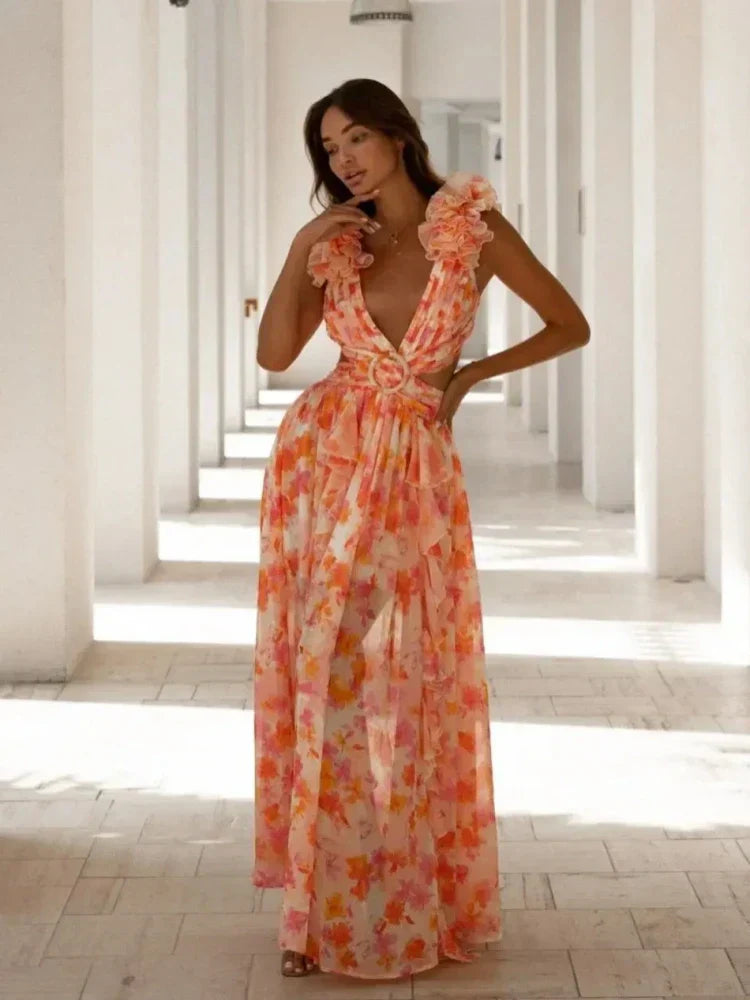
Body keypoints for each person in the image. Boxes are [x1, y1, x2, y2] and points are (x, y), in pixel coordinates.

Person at [252, 77, 590, 981]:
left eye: (356, 139)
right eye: (330, 150)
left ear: (397, 136)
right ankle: (313, 914)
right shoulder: (340, 246)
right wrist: (299, 248)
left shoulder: (469, 231)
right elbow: (275, 354)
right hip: (324, 465)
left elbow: (570, 324)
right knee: (328, 677)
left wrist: (469, 375)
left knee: (410, 683)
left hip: (415, 472)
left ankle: (412, 896)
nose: (345, 161)